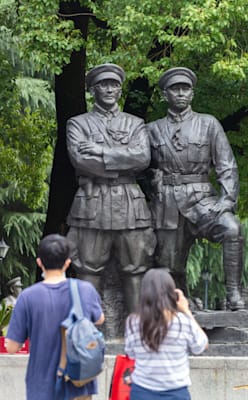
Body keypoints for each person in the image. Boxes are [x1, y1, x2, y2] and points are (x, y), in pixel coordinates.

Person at [146, 67, 244, 310]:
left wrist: (227, 200)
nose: (180, 93)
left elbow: (227, 166)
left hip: (202, 199)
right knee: (169, 263)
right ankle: (180, 302)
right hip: (167, 200)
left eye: (185, 89)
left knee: (231, 229)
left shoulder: (209, 124)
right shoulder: (151, 129)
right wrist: (151, 180)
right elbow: (139, 166)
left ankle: (234, 294)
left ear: (192, 93)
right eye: (174, 89)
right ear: (164, 95)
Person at [66, 63, 156, 314]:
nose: (109, 89)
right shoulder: (78, 124)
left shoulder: (135, 124)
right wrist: (123, 160)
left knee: (135, 268)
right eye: (103, 84)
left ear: (120, 90)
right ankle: (88, 333)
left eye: (114, 84)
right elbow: (81, 161)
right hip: (92, 204)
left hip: (129, 203)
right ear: (92, 90)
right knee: (88, 268)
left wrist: (102, 152)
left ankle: (138, 335)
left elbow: (142, 159)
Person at [5, 234, 104, 400]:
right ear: (67, 263)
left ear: (39, 262)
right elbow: (100, 319)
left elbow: (12, 347)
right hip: (79, 385)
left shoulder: (28, 297)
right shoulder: (85, 290)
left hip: (41, 387)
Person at [124, 268, 208, 400]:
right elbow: (201, 346)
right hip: (176, 393)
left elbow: (130, 353)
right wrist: (186, 310)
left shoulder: (133, 322)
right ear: (171, 293)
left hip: (142, 391)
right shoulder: (182, 321)